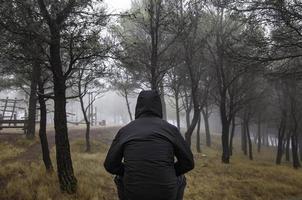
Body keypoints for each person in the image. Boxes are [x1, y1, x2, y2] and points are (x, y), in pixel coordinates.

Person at [104, 90, 194, 200]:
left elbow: (110, 165)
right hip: (166, 194)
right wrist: (170, 171)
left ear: (138, 107)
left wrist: (128, 171)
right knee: (181, 177)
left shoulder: (125, 131)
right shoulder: (171, 130)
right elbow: (188, 162)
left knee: (119, 178)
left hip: (133, 194)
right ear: (159, 106)